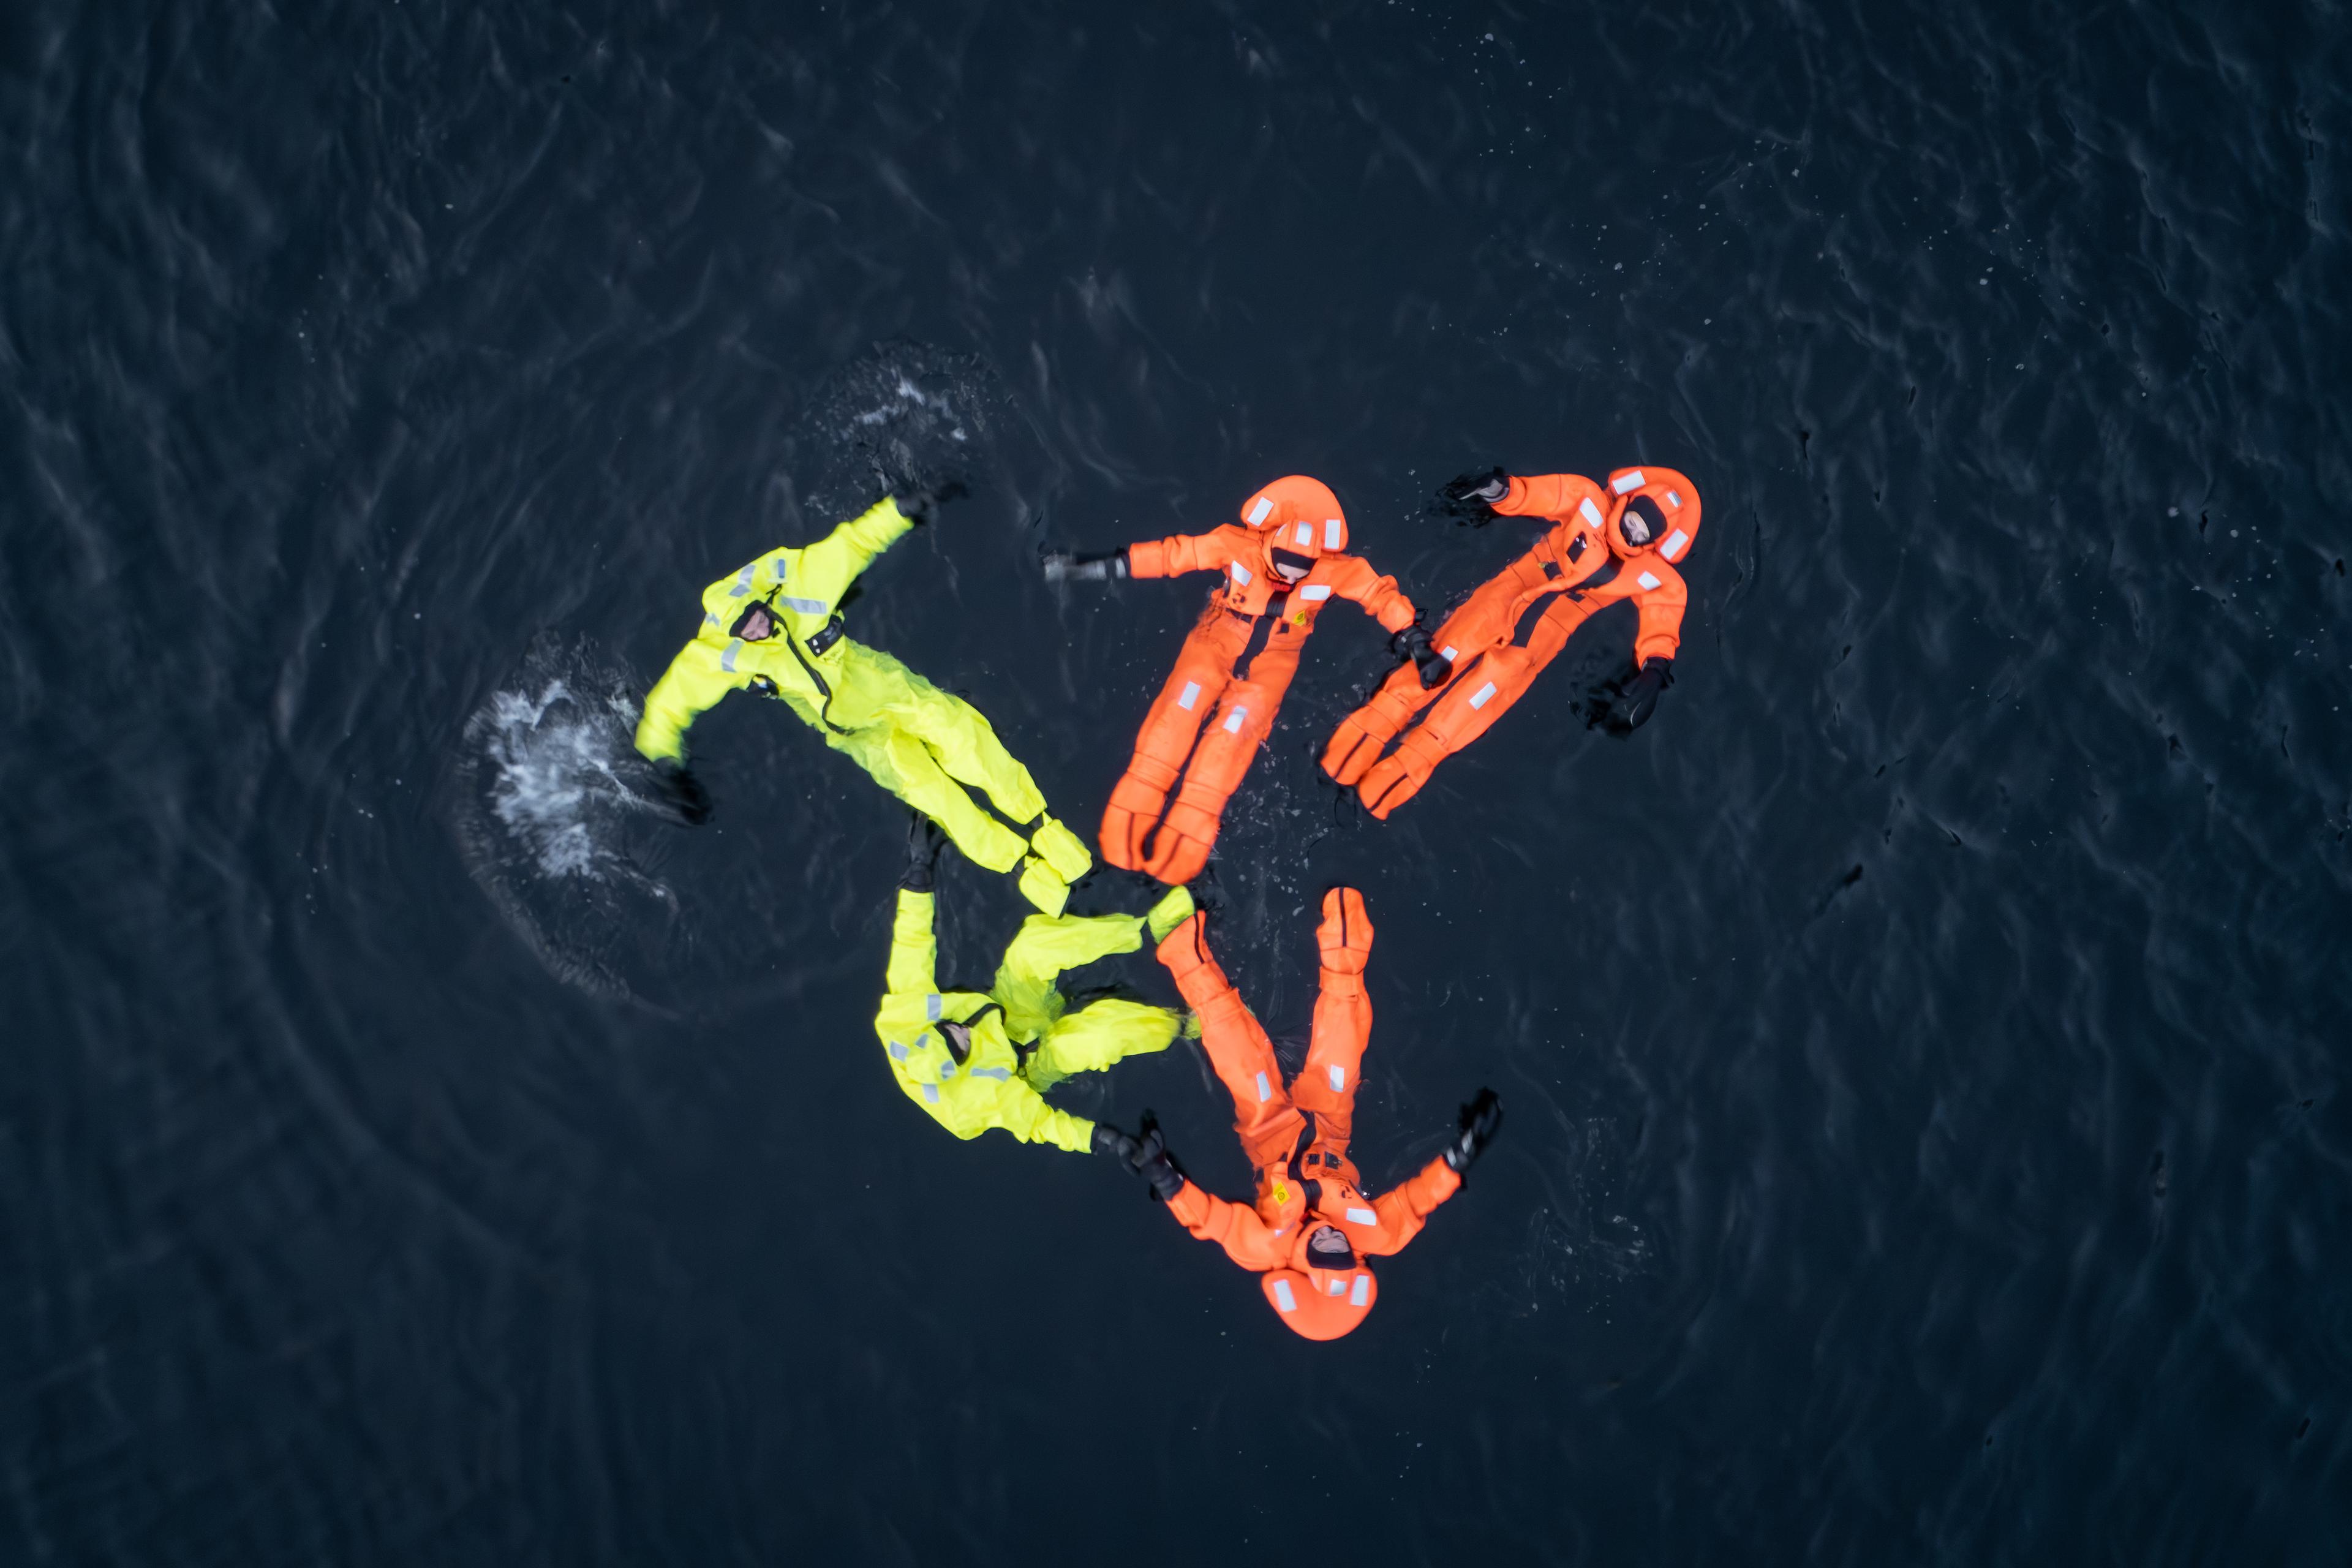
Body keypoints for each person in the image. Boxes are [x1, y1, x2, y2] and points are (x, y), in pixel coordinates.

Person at [636, 489, 1094, 914]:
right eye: (747, 630)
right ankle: (1028, 873)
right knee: (938, 798)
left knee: (969, 743)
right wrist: (664, 764)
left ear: (763, 603)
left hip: (892, 691)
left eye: (757, 619)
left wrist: (903, 508)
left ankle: (1052, 837)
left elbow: (854, 544)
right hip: (861, 737)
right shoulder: (718, 656)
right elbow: (667, 706)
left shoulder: (803, 587)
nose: (757, 630)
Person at [1099, 888, 1502, 1341]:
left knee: (1240, 1053)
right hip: (1329, 1130)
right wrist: (1461, 1157)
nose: (1334, 1242)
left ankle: (1183, 950)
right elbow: (1418, 1200)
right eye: (1344, 1254)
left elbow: (1210, 1220)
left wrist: (1164, 1177)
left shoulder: (1261, 1248)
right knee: (1342, 1051)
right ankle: (1344, 938)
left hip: (1270, 1131)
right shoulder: (1379, 1238)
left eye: (1325, 1255)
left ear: (1302, 1267)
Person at [1044, 475, 1447, 884]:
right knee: (1183, 705)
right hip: (1217, 638)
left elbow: (1380, 595)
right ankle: (1143, 785)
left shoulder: (1335, 572)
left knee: (1236, 728)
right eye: (1282, 568)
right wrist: (1095, 565)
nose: (1287, 580)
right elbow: (1173, 555)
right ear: (1268, 548)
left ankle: (1197, 813)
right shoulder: (1233, 545)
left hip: (1275, 659)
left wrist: (1417, 642)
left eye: (1299, 572)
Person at [1321, 464, 1703, 818]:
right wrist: (1500, 490)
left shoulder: (1652, 576)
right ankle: (1340, 761)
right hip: (1504, 597)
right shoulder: (1586, 498)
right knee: (1429, 670)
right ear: (1629, 501)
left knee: (1461, 716)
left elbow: (1663, 614)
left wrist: (1654, 669)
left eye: (1643, 534)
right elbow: (1537, 495)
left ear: (1654, 542)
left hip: (1536, 644)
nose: (1633, 532)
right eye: (1635, 520)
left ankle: (1376, 796)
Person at [874, 818, 1199, 1155]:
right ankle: (1186, 1023)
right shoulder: (973, 1105)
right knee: (1087, 1041)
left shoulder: (905, 1017)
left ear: (932, 1029)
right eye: (962, 1046)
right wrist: (1105, 1140)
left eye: (952, 1028)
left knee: (1032, 947)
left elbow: (911, 946)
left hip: (1005, 1011)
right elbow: (1041, 1125)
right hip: (1028, 1063)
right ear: (958, 1065)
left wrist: (919, 874)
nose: (964, 1031)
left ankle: (1145, 932)